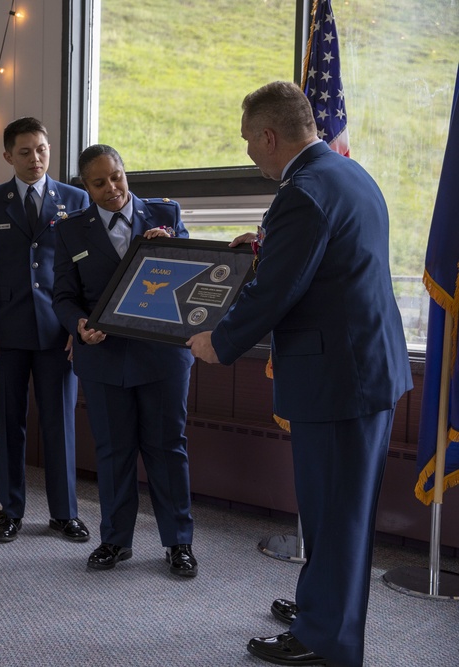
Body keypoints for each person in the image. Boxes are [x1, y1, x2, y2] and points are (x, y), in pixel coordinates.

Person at [187, 81, 411, 667]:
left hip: (339, 379)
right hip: (364, 370)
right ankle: (322, 609)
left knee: (335, 515)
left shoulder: (303, 193)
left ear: (269, 135)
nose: (249, 155)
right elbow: (319, 265)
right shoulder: (348, 173)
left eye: (247, 143)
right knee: (337, 511)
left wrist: (221, 342)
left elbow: (275, 292)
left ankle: (324, 641)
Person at [52, 144, 198, 576]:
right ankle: (115, 540)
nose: (112, 188)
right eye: (99, 183)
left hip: (162, 357)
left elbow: (194, 274)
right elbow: (63, 296)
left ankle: (179, 543)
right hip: (102, 357)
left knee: (167, 449)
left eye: (116, 176)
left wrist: (171, 249)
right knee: (114, 453)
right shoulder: (69, 231)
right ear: (86, 187)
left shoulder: (165, 215)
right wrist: (77, 325)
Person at [0, 117, 91, 544]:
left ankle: (64, 513)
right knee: (9, 422)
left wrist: (79, 324)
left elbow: (86, 270)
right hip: (5, 333)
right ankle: (11, 510)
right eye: (24, 152)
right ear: (7, 156)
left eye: (41, 149)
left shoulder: (74, 199)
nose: (35, 158)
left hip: (59, 332)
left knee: (60, 423)